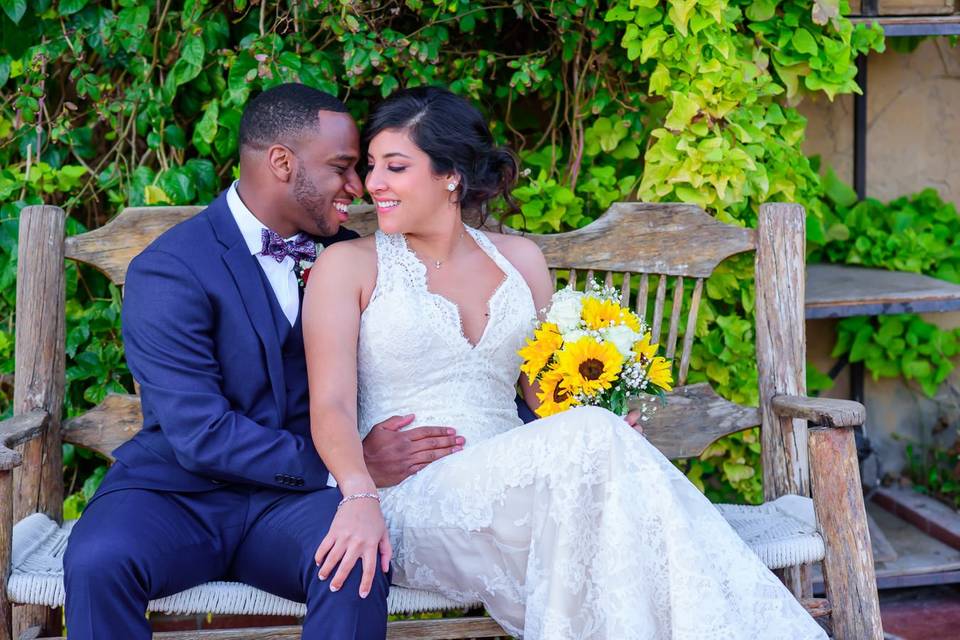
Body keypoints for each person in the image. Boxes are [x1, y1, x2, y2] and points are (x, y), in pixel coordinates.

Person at [303, 86, 829, 640]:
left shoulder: (521, 261)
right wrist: (359, 495)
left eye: (396, 166)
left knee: (600, 472)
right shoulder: (349, 266)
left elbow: (543, 397)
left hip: (531, 494)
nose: (374, 184)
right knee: (604, 474)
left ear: (450, 175)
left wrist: (603, 420)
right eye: (372, 166)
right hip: (414, 499)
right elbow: (330, 406)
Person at [62, 84, 468, 639]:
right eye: (344, 167)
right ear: (282, 162)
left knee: (355, 562)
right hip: (177, 494)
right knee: (96, 562)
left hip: (296, 506)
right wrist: (346, 466)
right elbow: (199, 432)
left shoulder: (354, 258)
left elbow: (448, 354)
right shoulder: (170, 269)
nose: (360, 188)